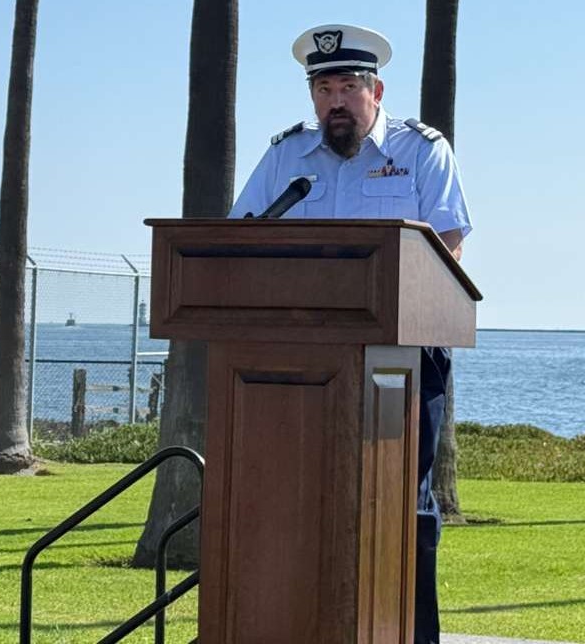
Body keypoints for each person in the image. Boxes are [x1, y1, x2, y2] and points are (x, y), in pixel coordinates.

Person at [229, 23, 472, 644]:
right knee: (298, 495)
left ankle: (407, 634)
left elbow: (447, 247)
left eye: (347, 87)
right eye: (322, 88)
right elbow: (238, 242)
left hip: (401, 358)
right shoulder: (286, 156)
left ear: (376, 90)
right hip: (297, 364)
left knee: (400, 502)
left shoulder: (420, 151)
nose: (334, 101)